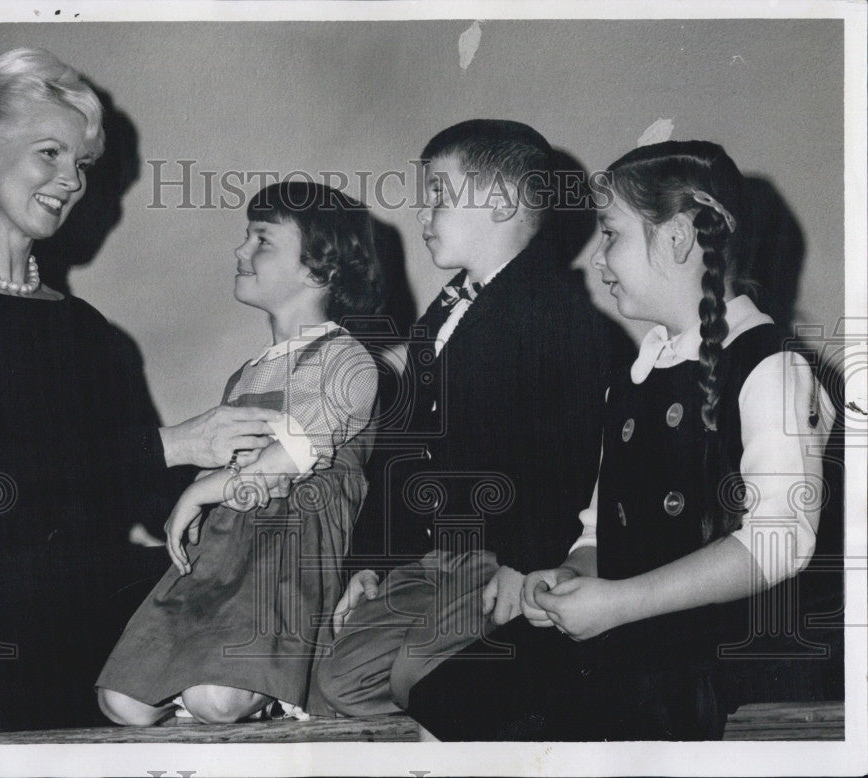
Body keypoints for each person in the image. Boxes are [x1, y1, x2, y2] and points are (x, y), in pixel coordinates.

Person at [0, 48, 280, 743]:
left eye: (83, 165)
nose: (70, 181)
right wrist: (179, 442)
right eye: (50, 152)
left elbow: (152, 492)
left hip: (83, 602)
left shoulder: (86, 328)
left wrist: (258, 488)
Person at [405, 140, 833, 740]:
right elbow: (603, 531)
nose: (599, 257)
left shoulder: (769, 367)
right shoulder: (640, 373)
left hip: (723, 651)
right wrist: (571, 575)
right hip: (633, 631)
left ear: (679, 238)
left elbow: (781, 540)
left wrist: (621, 603)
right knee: (443, 699)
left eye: (611, 234)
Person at [313, 120, 617, 715]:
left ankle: (511, 687)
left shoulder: (555, 313)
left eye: (439, 198)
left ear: (501, 202)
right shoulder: (441, 314)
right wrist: (370, 561)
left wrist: (526, 560)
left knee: (420, 683)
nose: (423, 217)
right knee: (337, 684)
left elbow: (566, 457)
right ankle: (467, 692)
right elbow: (399, 448)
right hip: (425, 554)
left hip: (495, 553)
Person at [96, 182, 383, 725]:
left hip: (287, 558)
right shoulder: (247, 373)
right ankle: (213, 693)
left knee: (215, 700)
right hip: (223, 555)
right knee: (122, 703)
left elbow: (290, 456)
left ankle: (274, 693)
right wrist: (200, 492)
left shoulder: (350, 361)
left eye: (262, 240)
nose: (239, 251)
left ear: (319, 268)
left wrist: (198, 491)